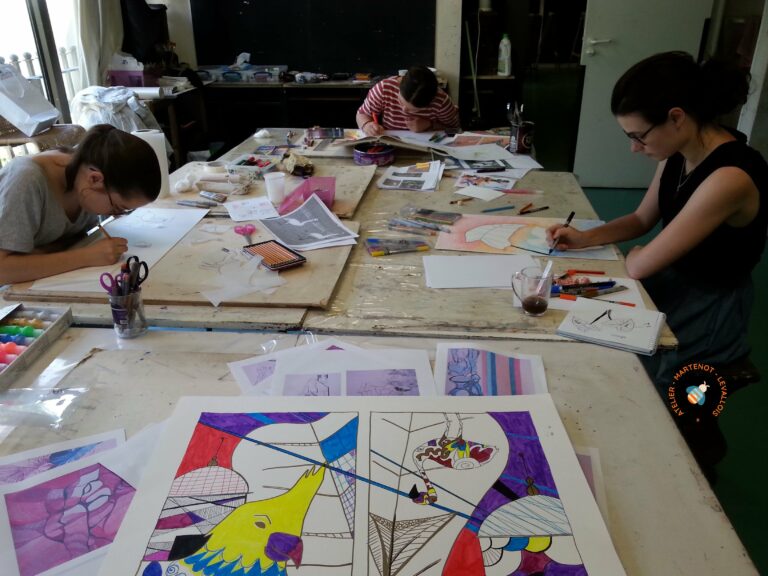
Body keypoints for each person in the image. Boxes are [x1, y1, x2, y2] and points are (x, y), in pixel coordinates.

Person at [547, 51, 767, 391]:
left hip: (708, 305)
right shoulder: (679, 151)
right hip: (672, 278)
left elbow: (639, 265)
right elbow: (641, 218)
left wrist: (639, 255)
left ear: (676, 117)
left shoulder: (729, 178)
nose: (635, 148)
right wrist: (584, 238)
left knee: (638, 383)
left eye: (639, 136)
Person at [0, 124, 161, 284]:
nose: (115, 215)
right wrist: (85, 256)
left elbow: (74, 240)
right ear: (95, 179)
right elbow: (3, 270)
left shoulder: (85, 174)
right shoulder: (26, 181)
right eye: (117, 208)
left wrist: (44, 253)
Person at [356, 65, 460, 136]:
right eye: (401, 102)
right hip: (391, 144)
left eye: (413, 110)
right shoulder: (384, 88)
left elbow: (455, 130)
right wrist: (366, 125)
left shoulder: (441, 101)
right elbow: (362, 113)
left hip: (427, 149)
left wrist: (430, 125)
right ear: (400, 85)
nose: (404, 110)